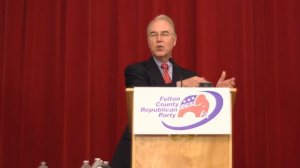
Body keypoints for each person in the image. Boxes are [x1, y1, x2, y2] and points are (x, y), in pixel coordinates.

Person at [111, 14, 235, 168]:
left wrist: (217, 94)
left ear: (174, 40)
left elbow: (198, 115)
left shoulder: (189, 76)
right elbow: (144, 99)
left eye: (164, 34)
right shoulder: (135, 71)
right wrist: (180, 85)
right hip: (140, 149)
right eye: (153, 34)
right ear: (148, 41)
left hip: (177, 155)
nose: (159, 39)